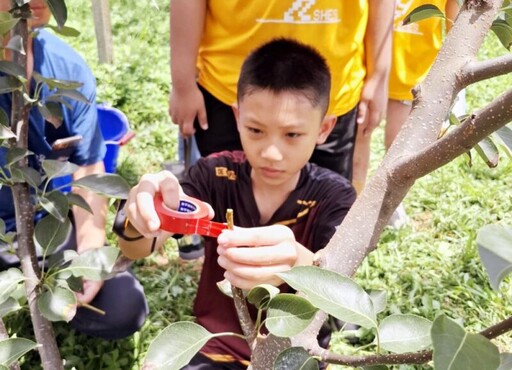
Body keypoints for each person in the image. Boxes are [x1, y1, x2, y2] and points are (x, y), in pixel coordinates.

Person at [119, 39, 356, 369]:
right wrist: (141, 217)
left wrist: (303, 265)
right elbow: (137, 248)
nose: (271, 152)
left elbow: (341, 287)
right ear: (237, 115)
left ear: (324, 128)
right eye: (256, 129)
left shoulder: (336, 196)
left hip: (295, 354)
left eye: (292, 135)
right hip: (216, 348)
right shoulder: (213, 175)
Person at [0, 0, 148, 339]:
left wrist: (90, 257)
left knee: (122, 306)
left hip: (46, 226)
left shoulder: (65, 70)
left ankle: (47, 298)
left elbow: (88, 168)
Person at [168, 0, 394, 184]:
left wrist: (379, 75)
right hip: (230, 89)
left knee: (320, 210)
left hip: (330, 94)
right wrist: (183, 83)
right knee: (227, 200)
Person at [385, 0, 461, 227]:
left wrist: (455, 80)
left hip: (413, 69)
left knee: (398, 146)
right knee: (358, 142)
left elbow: (457, 27)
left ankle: (390, 204)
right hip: (368, 66)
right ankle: (349, 200)